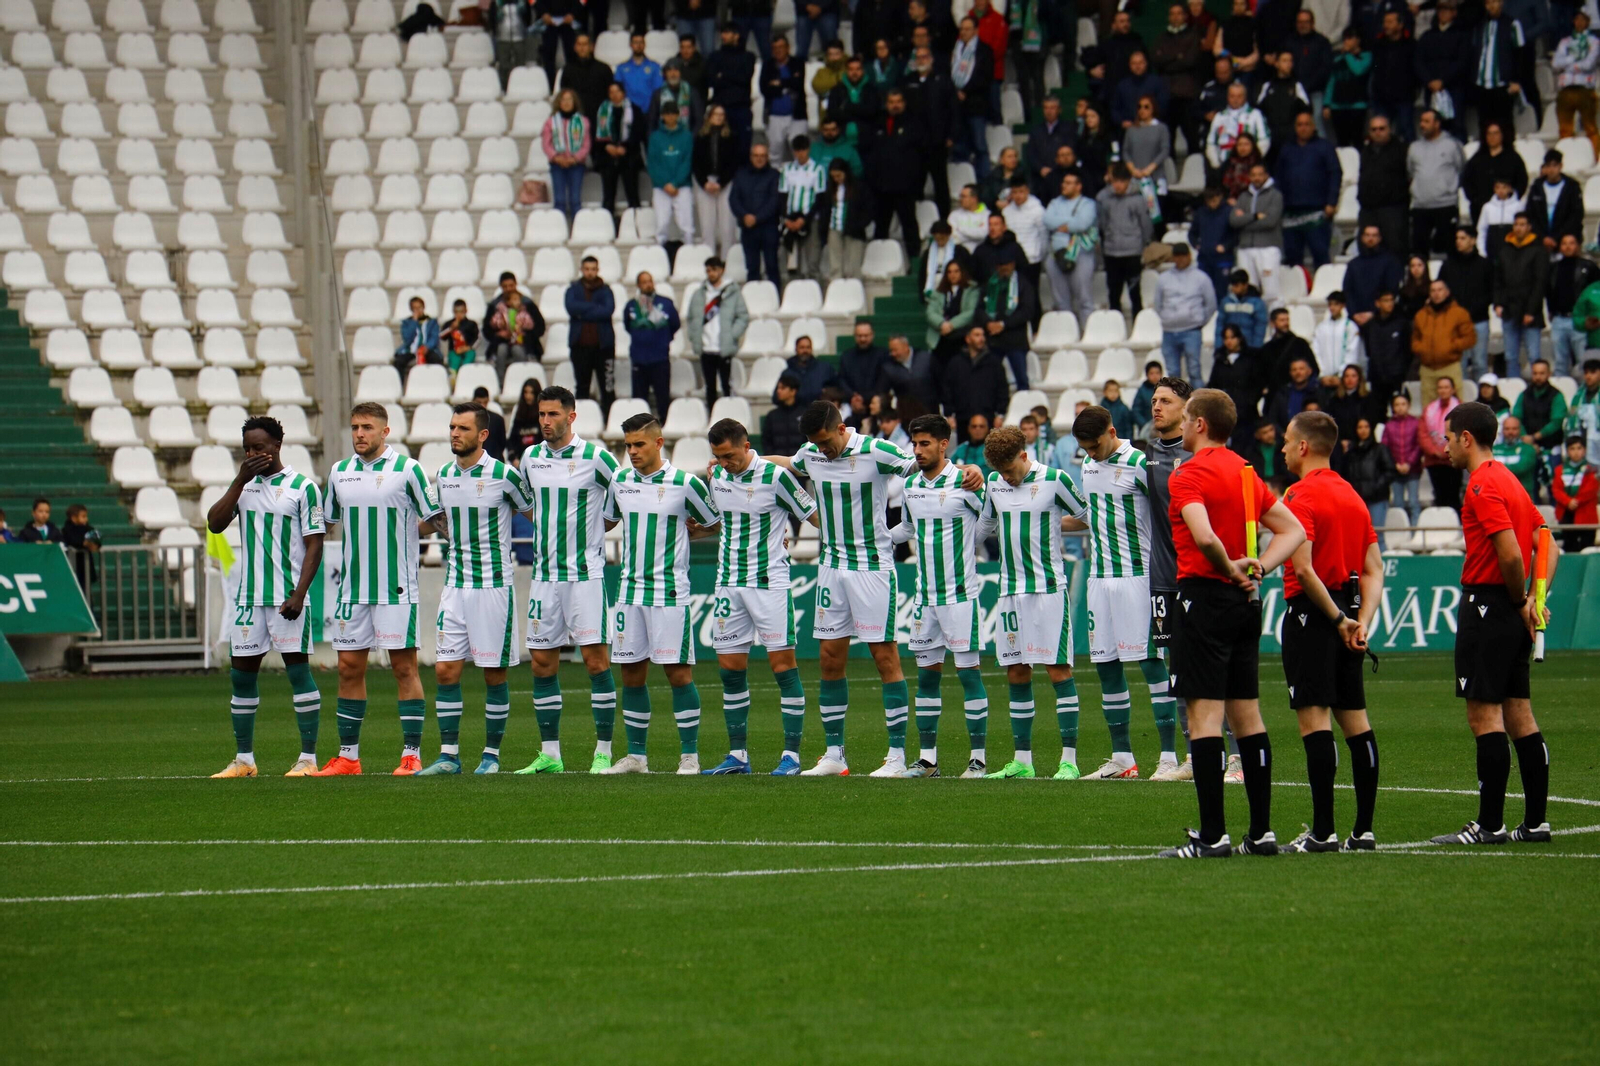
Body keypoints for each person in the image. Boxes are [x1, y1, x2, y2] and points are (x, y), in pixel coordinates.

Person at [765, 402, 981, 775]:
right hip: (831, 567)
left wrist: (969, 469)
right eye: (815, 444)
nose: (822, 450)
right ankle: (835, 755)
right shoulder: (811, 454)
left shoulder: (876, 451)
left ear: (841, 428)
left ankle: (896, 756)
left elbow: (924, 466)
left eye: (826, 442)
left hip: (872, 568)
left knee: (885, 658)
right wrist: (746, 458)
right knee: (830, 659)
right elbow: (786, 462)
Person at [1159, 388, 1306, 858]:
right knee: (1248, 715)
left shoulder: (1188, 474)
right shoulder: (1245, 471)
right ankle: (1261, 833)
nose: (1179, 426)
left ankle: (1212, 836)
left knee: (1205, 717)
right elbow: (1295, 530)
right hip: (1245, 604)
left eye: (1184, 419)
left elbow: (1202, 537)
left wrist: (1231, 568)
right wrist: (1258, 566)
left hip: (1203, 598)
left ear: (1200, 423)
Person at [1430, 401, 1553, 846]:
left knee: (1484, 715)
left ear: (1466, 438)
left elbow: (1511, 553)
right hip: (1511, 607)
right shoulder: (1510, 481)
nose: (1444, 448)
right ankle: (1535, 822)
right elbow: (1547, 541)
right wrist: (1536, 600)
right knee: (1520, 712)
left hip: (1489, 605)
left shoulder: (1482, 485)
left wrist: (1522, 600)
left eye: (1447, 438)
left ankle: (1489, 824)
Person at [314, 403, 448, 776]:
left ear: (385, 432)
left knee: (404, 669)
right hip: (352, 590)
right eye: (355, 427)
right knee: (347, 669)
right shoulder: (340, 473)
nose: (359, 434)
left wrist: (464, 540)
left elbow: (434, 518)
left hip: (396, 588)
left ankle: (411, 754)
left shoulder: (408, 470)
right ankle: (348, 757)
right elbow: (326, 524)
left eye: (367, 427)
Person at [1276, 411, 1385, 850]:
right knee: (1356, 721)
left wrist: (1338, 621)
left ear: (1303, 447)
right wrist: (1361, 622)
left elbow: (1302, 568)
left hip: (1313, 615)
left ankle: (1322, 832)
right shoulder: (1353, 496)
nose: (1282, 448)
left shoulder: (1299, 495)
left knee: (1315, 722)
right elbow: (1375, 569)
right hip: (1348, 611)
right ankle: (1364, 830)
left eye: (1286, 441)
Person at [411, 404, 534, 776]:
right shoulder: (444, 474)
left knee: (493, 674)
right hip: (455, 586)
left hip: (493, 588)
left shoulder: (504, 475)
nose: (454, 433)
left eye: (462, 428)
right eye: (451, 427)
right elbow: (443, 521)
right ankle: (449, 756)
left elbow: (534, 512)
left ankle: (491, 756)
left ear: (483, 435)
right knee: (446, 671)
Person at [597, 412, 721, 775]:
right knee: (631, 675)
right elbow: (606, 521)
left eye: (639, 444)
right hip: (629, 593)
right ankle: (636, 756)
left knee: (678, 674)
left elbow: (714, 523)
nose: (632, 451)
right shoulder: (619, 481)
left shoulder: (685, 483)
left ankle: (690, 756)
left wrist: (686, 535)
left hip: (669, 593)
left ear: (658, 443)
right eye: (628, 445)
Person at [205, 416, 325, 779]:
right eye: (248, 449)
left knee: (298, 673)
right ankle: (244, 761)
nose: (253, 454)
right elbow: (214, 522)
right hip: (248, 601)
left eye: (259, 447)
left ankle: (308, 759)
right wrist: (239, 480)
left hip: (286, 599)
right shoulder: (245, 487)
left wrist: (300, 593)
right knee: (241, 679)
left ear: (277, 445)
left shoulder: (302, 487)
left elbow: (315, 543)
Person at [970, 424, 1090, 778]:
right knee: (1017, 672)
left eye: (1010, 470)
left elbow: (1088, 517)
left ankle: (1068, 760)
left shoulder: (1055, 479)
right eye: (1000, 472)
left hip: (1048, 589)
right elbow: (984, 526)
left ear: (1024, 456)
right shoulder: (994, 484)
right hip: (1009, 591)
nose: (1006, 477)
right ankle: (1022, 761)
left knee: (1058, 671)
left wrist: (1052, 523)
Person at [700, 418, 819, 774]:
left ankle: (792, 756)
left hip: (769, 584)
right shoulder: (717, 478)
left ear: (746, 444)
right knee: (730, 671)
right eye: (718, 457)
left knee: (783, 668)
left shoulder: (776, 477)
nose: (725, 463)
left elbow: (813, 516)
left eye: (729, 455)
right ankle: (738, 756)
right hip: (727, 584)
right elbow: (724, 521)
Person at [1070, 405, 1182, 779]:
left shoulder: (1140, 462)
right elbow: (1090, 515)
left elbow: (1169, 513)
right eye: (1084, 449)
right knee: (1105, 666)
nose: (1090, 454)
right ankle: (1123, 759)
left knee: (1151, 664)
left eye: (1095, 446)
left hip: (1138, 577)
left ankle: (1168, 758)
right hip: (1099, 580)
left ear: (1112, 430)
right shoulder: (1087, 466)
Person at [884, 413, 991, 777]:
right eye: (914, 444)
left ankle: (978, 759)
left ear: (944, 444)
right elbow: (908, 528)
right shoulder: (912, 486)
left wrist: (972, 541)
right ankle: (928, 759)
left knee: (968, 676)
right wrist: (876, 538)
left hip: (960, 596)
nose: (918, 450)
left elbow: (990, 519)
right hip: (924, 599)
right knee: (927, 678)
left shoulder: (965, 482)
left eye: (925, 443)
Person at [1274, 112, 1341, 271]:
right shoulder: (1286, 149)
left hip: (1317, 210)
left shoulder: (1324, 146)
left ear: (1313, 126)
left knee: (1320, 253)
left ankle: (1324, 291)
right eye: (1299, 124)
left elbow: (1335, 174)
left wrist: (1332, 202)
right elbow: (1278, 177)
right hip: (1291, 212)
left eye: (1306, 124)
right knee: (1292, 257)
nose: (1303, 128)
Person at [866, 89, 926, 261]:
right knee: (881, 227)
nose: (895, 105)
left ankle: (914, 262)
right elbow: (872, 155)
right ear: (886, 104)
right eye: (892, 102)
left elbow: (921, 156)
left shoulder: (913, 124)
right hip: (882, 188)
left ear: (904, 103)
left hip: (904, 187)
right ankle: (879, 262)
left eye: (898, 101)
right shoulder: (878, 123)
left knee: (909, 225)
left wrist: (916, 183)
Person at [686, 256, 749, 407]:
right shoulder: (699, 294)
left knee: (727, 386)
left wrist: (732, 335)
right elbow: (691, 318)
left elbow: (743, 317)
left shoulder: (733, 292)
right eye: (708, 270)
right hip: (706, 348)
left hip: (723, 347)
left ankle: (729, 416)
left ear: (721, 270)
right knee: (710, 388)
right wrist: (694, 336)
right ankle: (713, 418)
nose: (711, 274)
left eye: (714, 270)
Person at [1470, 0, 1535, 144]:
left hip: (1503, 83)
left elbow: (1520, 54)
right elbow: (1475, 52)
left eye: (1494, 2)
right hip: (1482, 84)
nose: (1491, 6)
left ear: (1501, 3)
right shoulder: (1479, 25)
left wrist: (1517, 80)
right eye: (1487, 3)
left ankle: (1507, 156)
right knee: (1484, 125)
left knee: (1504, 124)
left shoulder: (1512, 24)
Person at [1494, 213, 1549, 381]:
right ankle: (1513, 389)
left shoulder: (1538, 250)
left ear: (1529, 227)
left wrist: (1531, 311)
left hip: (1530, 312)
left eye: (1523, 224)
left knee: (1534, 356)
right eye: (1516, 224)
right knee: (1510, 356)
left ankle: (1536, 389)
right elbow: (1498, 280)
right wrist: (1498, 303)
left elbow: (1540, 283)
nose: (1519, 228)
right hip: (1509, 310)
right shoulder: (1504, 250)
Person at [1156, 243, 1217, 383]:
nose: (1180, 259)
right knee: (1172, 373)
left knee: (1194, 370)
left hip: (1191, 331)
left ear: (1189, 256)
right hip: (1169, 331)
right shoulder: (1163, 278)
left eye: (1183, 256)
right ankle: (1176, 404)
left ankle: (1199, 404)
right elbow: (1158, 304)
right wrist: (1168, 319)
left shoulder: (1201, 277)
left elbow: (1211, 304)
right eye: (1177, 256)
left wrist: (1198, 321)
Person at [622, 271, 680, 418]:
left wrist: (663, 338)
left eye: (650, 281)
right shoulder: (631, 305)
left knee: (662, 397)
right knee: (639, 400)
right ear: (638, 285)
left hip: (659, 358)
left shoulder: (666, 303)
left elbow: (675, 323)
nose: (648, 284)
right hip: (639, 358)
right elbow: (628, 326)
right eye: (644, 282)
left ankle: (665, 425)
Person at [1408, 109, 1465, 255]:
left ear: (1437, 123)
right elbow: (1410, 171)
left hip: (1446, 205)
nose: (1422, 125)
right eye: (1421, 121)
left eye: (1426, 121)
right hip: (1420, 206)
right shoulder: (1414, 147)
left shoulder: (1452, 145)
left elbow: (1461, 168)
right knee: (1419, 252)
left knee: (1450, 249)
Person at [1043, 171, 1098, 324]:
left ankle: (1088, 334)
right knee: (1061, 301)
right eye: (1063, 182)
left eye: (1068, 183)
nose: (1063, 185)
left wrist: (1062, 224)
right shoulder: (1054, 203)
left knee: (1084, 298)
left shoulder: (1088, 204)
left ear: (1078, 186)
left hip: (1080, 253)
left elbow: (1083, 224)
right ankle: (1067, 333)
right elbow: (1047, 220)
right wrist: (1071, 222)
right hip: (1056, 253)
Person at [1440, 227, 1495, 381]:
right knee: (1459, 364)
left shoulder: (1484, 265)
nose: (1458, 241)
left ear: (1473, 240)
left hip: (1479, 320)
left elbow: (1492, 291)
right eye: (1457, 238)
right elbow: (1441, 290)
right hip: (1455, 323)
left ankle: (1481, 399)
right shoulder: (1448, 265)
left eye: (1463, 238)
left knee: (1479, 363)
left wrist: (1476, 308)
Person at [566, 255, 616, 415]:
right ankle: (583, 421)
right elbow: (571, 308)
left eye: (593, 269)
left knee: (607, 388)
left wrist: (582, 312)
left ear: (597, 270)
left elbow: (608, 310)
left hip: (604, 347)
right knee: (582, 388)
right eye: (587, 269)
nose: (590, 272)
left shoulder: (606, 290)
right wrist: (596, 308)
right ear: (581, 270)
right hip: (580, 347)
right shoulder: (573, 289)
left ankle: (610, 419)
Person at [1229, 162, 1284, 307]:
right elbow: (1234, 220)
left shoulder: (1275, 195)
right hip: (1245, 247)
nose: (1257, 178)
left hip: (1268, 247)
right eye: (1253, 175)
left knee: (1271, 291)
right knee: (1248, 290)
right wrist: (1254, 216)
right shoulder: (1243, 196)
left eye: (1260, 175)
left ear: (1266, 175)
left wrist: (1244, 219)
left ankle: (1274, 324)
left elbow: (1270, 221)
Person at [1415, 0, 1472, 138]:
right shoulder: (1427, 36)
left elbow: (1462, 62)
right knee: (1432, 127)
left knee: (1457, 126)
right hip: (1432, 90)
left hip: (1454, 88)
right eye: (1440, 10)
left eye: (1447, 10)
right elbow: (1418, 61)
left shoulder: (1462, 35)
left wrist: (1443, 80)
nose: (1443, 13)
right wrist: (1429, 81)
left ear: (1454, 13)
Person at [978, 258, 1036, 391]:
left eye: (1006, 265)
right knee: (991, 379)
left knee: (1021, 379)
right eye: (1000, 265)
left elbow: (1027, 311)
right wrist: (988, 323)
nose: (1004, 268)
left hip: (1015, 340)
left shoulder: (1022, 284)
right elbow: (979, 308)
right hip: (993, 340)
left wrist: (1004, 324)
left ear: (1013, 264)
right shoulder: (989, 284)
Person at [1356, 114, 1409, 259]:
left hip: (1393, 208)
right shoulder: (1365, 151)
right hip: (1368, 209)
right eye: (1373, 129)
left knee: (1395, 249)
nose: (1377, 132)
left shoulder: (1402, 150)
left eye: (1381, 128)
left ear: (1389, 129)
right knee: (1366, 249)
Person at [1547, 234, 1600, 377]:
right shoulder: (1553, 268)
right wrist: (1551, 311)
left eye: (1571, 243)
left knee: (1584, 362)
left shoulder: (1589, 267)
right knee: (1559, 362)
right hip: (1559, 319)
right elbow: (1549, 291)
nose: (1568, 246)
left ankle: (1584, 394)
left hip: (1579, 321)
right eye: (1564, 243)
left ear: (1578, 246)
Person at [1413, 278, 1474, 400]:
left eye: (1440, 290)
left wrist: (1451, 346)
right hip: (1427, 369)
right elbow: (1415, 339)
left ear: (1447, 292)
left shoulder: (1459, 313)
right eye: (1433, 290)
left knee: (1455, 410)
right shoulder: (1421, 315)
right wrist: (1422, 349)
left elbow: (1470, 338)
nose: (1436, 293)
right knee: (1428, 410)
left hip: (1450, 366)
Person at [951, 16, 996, 181]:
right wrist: (955, 91)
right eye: (962, 29)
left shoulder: (984, 50)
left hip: (977, 105)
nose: (963, 32)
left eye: (967, 29)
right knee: (960, 147)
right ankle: (963, 183)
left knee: (979, 146)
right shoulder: (956, 49)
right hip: (958, 107)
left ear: (976, 30)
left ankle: (983, 181)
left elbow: (985, 77)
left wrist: (966, 91)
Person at [943, 327, 1009, 437]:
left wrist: (1000, 414)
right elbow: (947, 389)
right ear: (968, 339)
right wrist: (949, 414)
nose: (981, 338)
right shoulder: (955, 363)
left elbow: (1002, 389)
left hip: (988, 418)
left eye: (983, 335)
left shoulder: (994, 362)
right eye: (977, 335)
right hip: (963, 418)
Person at [1209, 323, 1266, 451]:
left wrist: (1249, 402)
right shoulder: (1220, 359)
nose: (1229, 341)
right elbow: (1213, 384)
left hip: (1246, 414)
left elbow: (1258, 383)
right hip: (1225, 413)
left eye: (1232, 337)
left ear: (1239, 338)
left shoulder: (1250, 358)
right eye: (1226, 338)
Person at [730, 142, 782, 282]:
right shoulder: (741, 175)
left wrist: (757, 218)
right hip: (748, 228)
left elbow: (774, 201)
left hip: (769, 228)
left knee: (772, 266)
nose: (759, 159)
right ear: (751, 157)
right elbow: (734, 199)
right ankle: (753, 300)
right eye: (756, 156)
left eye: (763, 156)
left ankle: (775, 299)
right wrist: (744, 215)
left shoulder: (774, 175)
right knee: (752, 268)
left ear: (767, 158)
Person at [816, 157, 874, 280]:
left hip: (854, 230)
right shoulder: (830, 189)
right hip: (834, 228)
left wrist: (859, 224)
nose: (836, 179)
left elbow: (869, 209)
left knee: (853, 265)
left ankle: (854, 290)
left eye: (839, 175)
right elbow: (825, 210)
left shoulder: (859, 187)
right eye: (833, 177)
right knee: (835, 265)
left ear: (846, 172)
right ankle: (837, 289)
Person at [693, 103, 740, 254]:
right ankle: (709, 258)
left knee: (727, 225)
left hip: (725, 183)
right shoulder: (700, 137)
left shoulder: (731, 137)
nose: (719, 118)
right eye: (716, 114)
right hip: (705, 182)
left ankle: (727, 259)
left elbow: (734, 163)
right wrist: (704, 182)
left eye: (721, 115)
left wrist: (721, 183)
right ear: (709, 117)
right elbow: (696, 163)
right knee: (707, 225)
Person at [777, 134, 826, 279]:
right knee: (791, 263)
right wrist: (786, 219)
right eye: (797, 150)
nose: (800, 154)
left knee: (812, 261)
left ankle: (816, 295)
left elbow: (820, 198)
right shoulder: (787, 169)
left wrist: (805, 219)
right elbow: (782, 195)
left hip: (810, 219)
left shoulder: (817, 169)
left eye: (803, 150)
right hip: (791, 220)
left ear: (808, 149)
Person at [1461, 122, 1528, 226]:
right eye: (1489, 133)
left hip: (1507, 210)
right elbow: (1467, 181)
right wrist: (1475, 200)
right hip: (1481, 209)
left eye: (1496, 133)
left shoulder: (1513, 158)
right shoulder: (1477, 159)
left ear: (1502, 135)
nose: (1492, 137)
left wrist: (1511, 200)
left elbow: (1522, 181)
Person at [647, 101, 696, 244]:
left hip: (682, 186)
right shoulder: (655, 137)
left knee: (686, 225)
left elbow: (687, 161)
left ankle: (688, 253)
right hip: (661, 187)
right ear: (662, 116)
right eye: (667, 114)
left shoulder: (686, 136)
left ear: (678, 115)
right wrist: (664, 183)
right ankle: (661, 256)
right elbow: (653, 163)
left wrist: (675, 183)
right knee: (661, 225)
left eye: (673, 114)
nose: (670, 117)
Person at [594, 82, 646, 214]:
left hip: (629, 156)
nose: (614, 95)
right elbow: (596, 133)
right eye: (611, 92)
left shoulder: (634, 110)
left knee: (632, 194)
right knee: (608, 197)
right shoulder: (602, 110)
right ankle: (609, 225)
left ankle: (635, 225)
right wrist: (606, 146)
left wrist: (625, 147)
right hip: (608, 157)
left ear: (623, 93)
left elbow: (638, 132)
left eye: (617, 91)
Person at [1554, 11, 1600, 155]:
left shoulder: (1594, 41)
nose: (1579, 23)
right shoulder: (1565, 42)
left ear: (1587, 22)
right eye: (1576, 19)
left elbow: (1589, 64)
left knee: (1590, 128)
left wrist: (1567, 63)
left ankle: (1595, 157)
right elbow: (1556, 63)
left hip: (1585, 89)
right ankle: (1566, 158)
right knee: (1565, 129)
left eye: (1582, 20)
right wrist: (1573, 60)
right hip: (1566, 89)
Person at [706, 23, 757, 153]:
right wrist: (734, 75)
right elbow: (711, 80)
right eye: (722, 32)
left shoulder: (748, 56)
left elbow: (745, 78)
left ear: (736, 35)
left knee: (743, 148)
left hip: (742, 108)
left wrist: (723, 75)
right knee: (721, 149)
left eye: (727, 32)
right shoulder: (715, 56)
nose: (723, 35)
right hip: (722, 109)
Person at [542, 88, 591, 221]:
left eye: (569, 99)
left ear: (574, 102)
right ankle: (559, 230)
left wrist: (574, 158)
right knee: (559, 200)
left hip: (576, 165)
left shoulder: (583, 121)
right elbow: (546, 144)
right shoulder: (550, 122)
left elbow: (586, 145)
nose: (566, 103)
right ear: (559, 102)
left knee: (575, 200)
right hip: (557, 165)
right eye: (563, 100)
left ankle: (577, 230)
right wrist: (556, 157)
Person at [1346, 416, 1396, 545]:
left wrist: (1375, 487)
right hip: (1358, 502)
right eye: (1360, 427)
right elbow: (1346, 476)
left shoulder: (1380, 449)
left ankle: (1382, 564)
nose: (1363, 430)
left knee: (1378, 536)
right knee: (1359, 538)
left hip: (1377, 499)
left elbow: (1389, 471)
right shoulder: (1351, 453)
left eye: (1366, 427)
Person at [1205, 81, 1272, 172]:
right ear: (1227, 97)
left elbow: (1264, 140)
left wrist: (1254, 161)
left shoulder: (1255, 115)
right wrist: (1216, 165)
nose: (1235, 99)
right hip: (1224, 166)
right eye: (1232, 96)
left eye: (1239, 96)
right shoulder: (1219, 117)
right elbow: (1211, 143)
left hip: (1249, 168)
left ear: (1245, 97)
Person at [761, 35, 808, 164]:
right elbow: (764, 89)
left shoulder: (797, 63)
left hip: (797, 116)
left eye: (781, 47)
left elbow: (798, 84)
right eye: (775, 48)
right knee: (774, 154)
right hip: (774, 117)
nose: (778, 50)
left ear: (788, 48)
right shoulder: (768, 65)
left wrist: (778, 83)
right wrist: (787, 84)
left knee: (799, 152)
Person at [1369, 10, 1416, 136]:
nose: (1386, 25)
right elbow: (1375, 68)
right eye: (1385, 22)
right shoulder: (1379, 44)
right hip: (1381, 97)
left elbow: (1415, 69)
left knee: (1406, 132)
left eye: (1390, 22)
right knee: (1380, 132)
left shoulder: (1410, 44)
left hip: (1403, 97)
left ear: (1400, 25)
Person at [926, 259, 980, 368]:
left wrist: (951, 325)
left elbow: (970, 312)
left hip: (961, 337)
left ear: (962, 272)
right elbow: (930, 312)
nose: (953, 275)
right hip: (941, 337)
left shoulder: (971, 290)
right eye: (949, 272)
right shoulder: (939, 293)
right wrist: (942, 324)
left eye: (956, 271)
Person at [1323, 28, 1371, 147]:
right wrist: (1327, 104)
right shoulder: (1338, 58)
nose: (1346, 42)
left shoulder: (1366, 56)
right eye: (1345, 39)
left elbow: (1358, 70)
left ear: (1358, 40)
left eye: (1350, 38)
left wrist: (1348, 55)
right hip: (1338, 106)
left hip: (1357, 105)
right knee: (1341, 141)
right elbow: (1332, 81)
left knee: (1357, 141)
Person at [1421, 375, 1463, 512]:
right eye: (1440, 387)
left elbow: (1463, 432)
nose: (1443, 390)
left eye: (1446, 387)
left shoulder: (1461, 408)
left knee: (1453, 496)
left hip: (1454, 460)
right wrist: (1434, 451)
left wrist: (1448, 450)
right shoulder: (1429, 409)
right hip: (1434, 461)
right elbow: (1423, 433)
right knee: (1439, 496)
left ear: (1452, 389)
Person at [1362, 290, 1410, 406]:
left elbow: (1407, 350)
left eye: (1391, 300)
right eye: (1386, 300)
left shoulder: (1401, 324)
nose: (1390, 303)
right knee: (1378, 413)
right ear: (1377, 303)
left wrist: (1401, 370)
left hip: (1396, 376)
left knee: (1398, 410)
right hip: (1377, 377)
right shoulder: (1370, 326)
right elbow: (1368, 350)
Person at [1255, 49, 1311, 151]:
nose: (1288, 64)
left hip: (1291, 140)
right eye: (1285, 61)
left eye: (1290, 61)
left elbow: (1306, 110)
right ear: (1276, 64)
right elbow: (1257, 110)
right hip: (1270, 139)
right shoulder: (1267, 86)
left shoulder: (1296, 86)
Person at [1512, 359, 1571, 452]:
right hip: (1526, 445)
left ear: (1549, 374)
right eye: (1535, 373)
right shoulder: (1524, 394)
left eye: (1541, 373)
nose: (1538, 377)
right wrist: (1525, 437)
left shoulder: (1556, 396)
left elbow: (1556, 422)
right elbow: (1516, 417)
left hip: (1551, 446)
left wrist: (1534, 437)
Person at [1001, 178, 1048, 293]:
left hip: (1031, 259)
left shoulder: (1038, 211)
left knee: (1031, 292)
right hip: (1013, 260)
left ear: (1027, 191)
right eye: (1014, 192)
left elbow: (1044, 236)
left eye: (1021, 192)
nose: (1018, 196)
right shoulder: (1006, 211)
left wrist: (1040, 255)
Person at [1553, 435, 1599, 551]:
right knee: (1569, 546)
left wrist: (1576, 501)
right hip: (1566, 514)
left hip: (1586, 516)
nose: (1576, 452)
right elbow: (1556, 489)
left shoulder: (1592, 469)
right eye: (1572, 449)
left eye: (1579, 448)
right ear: (1567, 451)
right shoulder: (1559, 469)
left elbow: (1591, 490)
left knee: (1587, 547)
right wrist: (1568, 502)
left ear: (1585, 450)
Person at [1191, 186, 1236, 300]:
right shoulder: (1201, 212)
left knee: (1221, 292)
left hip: (1223, 259)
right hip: (1204, 258)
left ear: (1220, 197)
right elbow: (1192, 233)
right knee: (1203, 292)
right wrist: (1196, 244)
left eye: (1214, 200)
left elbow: (1236, 234)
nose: (1212, 203)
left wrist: (1226, 246)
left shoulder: (1229, 211)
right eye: (1209, 201)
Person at [1025, 96, 1073, 201]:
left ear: (1059, 110)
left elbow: (1070, 151)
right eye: (1046, 108)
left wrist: (1055, 170)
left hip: (1060, 177)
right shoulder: (1036, 131)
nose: (1049, 111)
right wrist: (1041, 168)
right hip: (1040, 178)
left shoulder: (1068, 129)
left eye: (1052, 108)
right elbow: (1031, 153)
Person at [877, 334, 939, 413]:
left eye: (895, 350)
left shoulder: (926, 358)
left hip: (930, 410)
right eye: (891, 351)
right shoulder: (888, 368)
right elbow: (882, 392)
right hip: (906, 414)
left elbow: (941, 383)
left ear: (906, 346)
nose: (893, 354)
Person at [1386, 392, 1422, 524]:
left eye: (1403, 404)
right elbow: (1385, 448)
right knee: (1398, 503)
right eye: (1397, 404)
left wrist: (1409, 463)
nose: (1400, 407)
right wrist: (1394, 464)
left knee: (1413, 502)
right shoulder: (1389, 426)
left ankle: (1415, 532)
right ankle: (1402, 531)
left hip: (1413, 469)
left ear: (1409, 405)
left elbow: (1419, 445)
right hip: (1396, 471)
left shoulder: (1416, 423)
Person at [1313, 290, 1364, 378]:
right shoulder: (1321, 328)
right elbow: (1316, 350)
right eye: (1330, 304)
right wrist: (1322, 372)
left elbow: (1352, 352)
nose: (1332, 308)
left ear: (1343, 305)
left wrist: (1342, 373)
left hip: (1344, 377)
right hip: (1325, 376)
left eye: (1336, 304)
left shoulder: (1350, 327)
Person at [1216, 269, 1268, 349]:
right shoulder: (1226, 302)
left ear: (1245, 285)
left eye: (1237, 285)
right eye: (1233, 285)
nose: (1234, 288)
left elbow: (1260, 328)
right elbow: (1220, 325)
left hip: (1248, 347)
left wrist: (1256, 349)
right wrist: (1219, 347)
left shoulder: (1257, 303)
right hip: (1229, 346)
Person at [393, 295, 440, 380]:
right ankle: (399, 385)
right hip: (411, 349)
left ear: (423, 307)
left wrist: (427, 347)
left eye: (419, 307)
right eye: (415, 308)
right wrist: (414, 322)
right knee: (399, 362)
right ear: (411, 310)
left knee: (436, 359)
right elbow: (407, 339)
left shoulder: (432, 322)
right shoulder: (406, 323)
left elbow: (434, 337)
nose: (418, 310)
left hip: (427, 349)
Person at [1493, 414, 1541, 497]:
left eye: (1514, 429)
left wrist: (1494, 468)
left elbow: (1520, 469)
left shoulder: (1528, 449)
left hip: (1522, 496)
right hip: (1498, 496)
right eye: (1507, 429)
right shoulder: (1493, 449)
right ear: (1502, 430)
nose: (1510, 432)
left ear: (1520, 430)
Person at [780, 335, 837, 404]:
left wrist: (827, 392)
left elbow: (837, 388)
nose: (805, 350)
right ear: (796, 349)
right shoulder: (788, 372)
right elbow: (776, 397)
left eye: (808, 347)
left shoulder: (824, 368)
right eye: (802, 347)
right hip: (794, 412)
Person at [647, 62, 704, 130]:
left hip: (686, 137)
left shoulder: (691, 92)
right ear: (665, 74)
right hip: (663, 137)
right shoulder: (658, 94)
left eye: (676, 70)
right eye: (669, 71)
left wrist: (690, 138)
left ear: (681, 73)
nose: (673, 74)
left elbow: (698, 119)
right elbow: (652, 121)